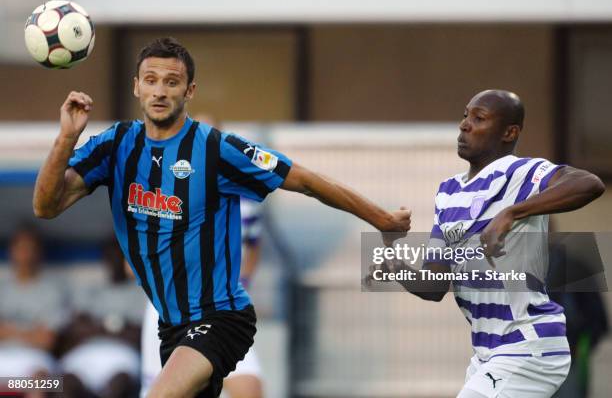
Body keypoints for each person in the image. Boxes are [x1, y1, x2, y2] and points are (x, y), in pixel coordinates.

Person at [33, 37, 411, 398]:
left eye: (172, 82)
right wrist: (66, 139)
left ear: (190, 91)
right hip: (171, 325)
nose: (160, 91)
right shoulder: (116, 145)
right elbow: (46, 207)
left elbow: (306, 181)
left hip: (220, 318)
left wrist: (383, 220)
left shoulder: (217, 149)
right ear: (136, 87)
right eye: (151, 81)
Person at [371, 90, 605, 397]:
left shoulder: (521, 172)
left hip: (527, 344)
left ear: (510, 132)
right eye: (465, 115)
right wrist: (393, 261)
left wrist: (511, 212)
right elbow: (433, 286)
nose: (464, 125)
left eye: (478, 118)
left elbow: (589, 184)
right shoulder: (448, 192)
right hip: (486, 353)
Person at [141, 197, 266, 398]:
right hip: (172, 307)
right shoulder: (167, 192)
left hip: (222, 307)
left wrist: (239, 284)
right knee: (168, 390)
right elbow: (130, 263)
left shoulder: (246, 202)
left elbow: (253, 245)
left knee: (249, 388)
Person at [58, 237, 146, 398]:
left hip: (122, 353)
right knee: (64, 383)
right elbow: (76, 329)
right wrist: (119, 326)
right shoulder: (91, 289)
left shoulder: (140, 290)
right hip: (86, 352)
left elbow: (138, 334)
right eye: (110, 256)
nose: (115, 261)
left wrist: (95, 326)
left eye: (120, 256)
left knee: (119, 384)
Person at [0, 224, 68, 380]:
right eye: (21, 248)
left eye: (30, 249)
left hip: (36, 359)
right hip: (2, 356)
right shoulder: (2, 289)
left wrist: (7, 331)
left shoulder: (52, 290)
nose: (26, 254)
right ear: (11, 251)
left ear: (39, 253)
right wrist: (30, 333)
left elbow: (47, 341)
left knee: (45, 383)